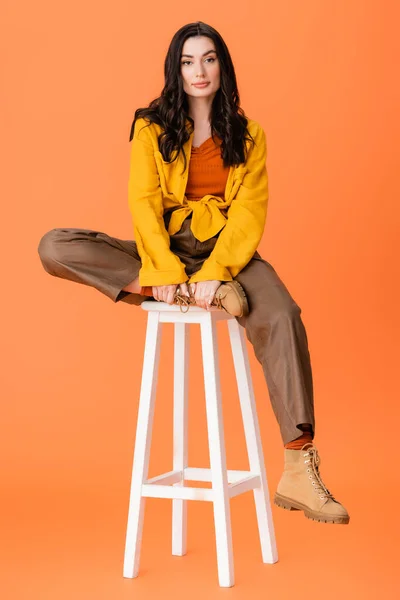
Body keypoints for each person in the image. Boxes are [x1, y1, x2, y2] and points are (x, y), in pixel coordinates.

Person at [37, 21, 349, 525]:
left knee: (283, 314)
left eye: (208, 59)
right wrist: (168, 274)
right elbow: (143, 205)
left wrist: (218, 270)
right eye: (187, 61)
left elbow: (249, 215)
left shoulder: (250, 135)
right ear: (175, 69)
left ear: (222, 65)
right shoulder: (150, 126)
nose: (198, 70)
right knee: (55, 245)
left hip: (229, 253)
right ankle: (180, 293)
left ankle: (297, 468)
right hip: (168, 251)